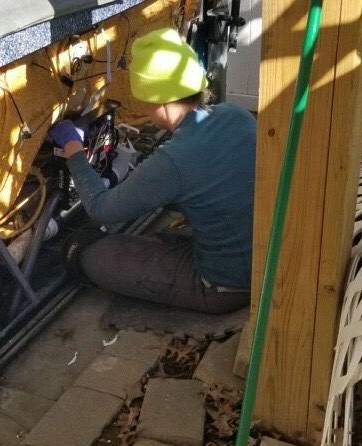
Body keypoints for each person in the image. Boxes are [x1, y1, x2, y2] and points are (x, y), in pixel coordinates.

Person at [48, 27, 256, 314]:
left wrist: (72, 148)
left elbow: (99, 208)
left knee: (84, 251)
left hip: (224, 287)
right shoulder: (237, 114)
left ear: (154, 99)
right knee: (159, 241)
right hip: (261, 261)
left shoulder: (175, 160)